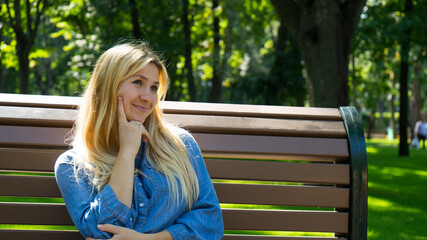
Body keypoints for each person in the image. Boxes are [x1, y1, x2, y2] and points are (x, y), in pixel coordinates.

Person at [55, 42, 224, 240]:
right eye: (138, 82)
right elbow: (101, 231)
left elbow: (211, 221)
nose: (148, 97)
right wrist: (127, 152)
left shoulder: (179, 145)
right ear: (108, 85)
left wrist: (148, 239)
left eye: (154, 88)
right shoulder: (73, 166)